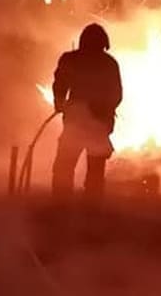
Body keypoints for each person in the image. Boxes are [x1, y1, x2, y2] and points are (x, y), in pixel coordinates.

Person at [51, 23, 122, 202]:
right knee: (94, 171)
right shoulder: (109, 63)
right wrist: (104, 112)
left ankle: (61, 203)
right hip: (95, 124)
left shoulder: (71, 60)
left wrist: (60, 104)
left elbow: (60, 85)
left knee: (64, 166)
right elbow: (116, 95)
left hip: (78, 121)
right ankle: (91, 207)